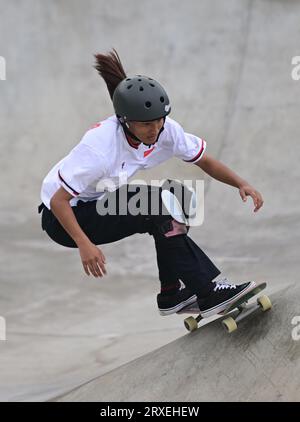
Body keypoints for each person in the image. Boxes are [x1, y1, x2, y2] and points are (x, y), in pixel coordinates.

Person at [38, 49, 264, 318]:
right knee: (154, 202)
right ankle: (208, 291)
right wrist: (84, 244)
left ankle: (172, 293)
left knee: (171, 204)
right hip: (63, 219)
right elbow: (58, 201)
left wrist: (241, 183)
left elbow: (204, 160)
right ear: (125, 121)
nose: (154, 129)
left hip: (94, 203)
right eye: (145, 124)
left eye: (159, 120)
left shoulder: (167, 131)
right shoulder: (100, 148)